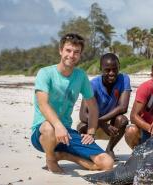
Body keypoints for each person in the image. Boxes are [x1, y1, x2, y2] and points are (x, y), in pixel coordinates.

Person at [30, 33, 113, 174]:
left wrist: (91, 132)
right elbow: (43, 104)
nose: (72, 55)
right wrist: (58, 125)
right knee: (49, 128)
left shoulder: (80, 76)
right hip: (43, 134)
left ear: (80, 55)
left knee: (107, 163)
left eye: (76, 52)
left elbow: (93, 107)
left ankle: (64, 155)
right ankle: (50, 159)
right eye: (68, 50)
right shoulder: (45, 73)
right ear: (60, 50)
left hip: (66, 134)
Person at [78, 53, 131, 160]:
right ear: (101, 69)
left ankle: (109, 149)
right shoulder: (92, 85)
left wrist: (101, 122)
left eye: (114, 69)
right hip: (93, 125)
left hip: (111, 125)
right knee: (81, 126)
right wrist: (101, 124)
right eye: (107, 70)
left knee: (123, 120)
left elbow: (123, 107)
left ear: (119, 67)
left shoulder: (124, 79)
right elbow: (83, 115)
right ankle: (90, 151)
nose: (111, 73)